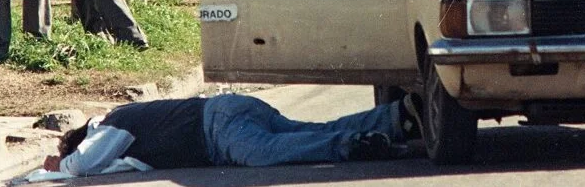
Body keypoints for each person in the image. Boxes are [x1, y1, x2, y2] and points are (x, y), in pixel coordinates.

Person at [42, 93, 423, 175]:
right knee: (305, 132)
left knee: (266, 153)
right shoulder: (124, 127)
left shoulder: (111, 122)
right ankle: (394, 118)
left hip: (216, 127)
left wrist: (61, 163)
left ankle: (353, 145)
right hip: (227, 111)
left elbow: (84, 165)